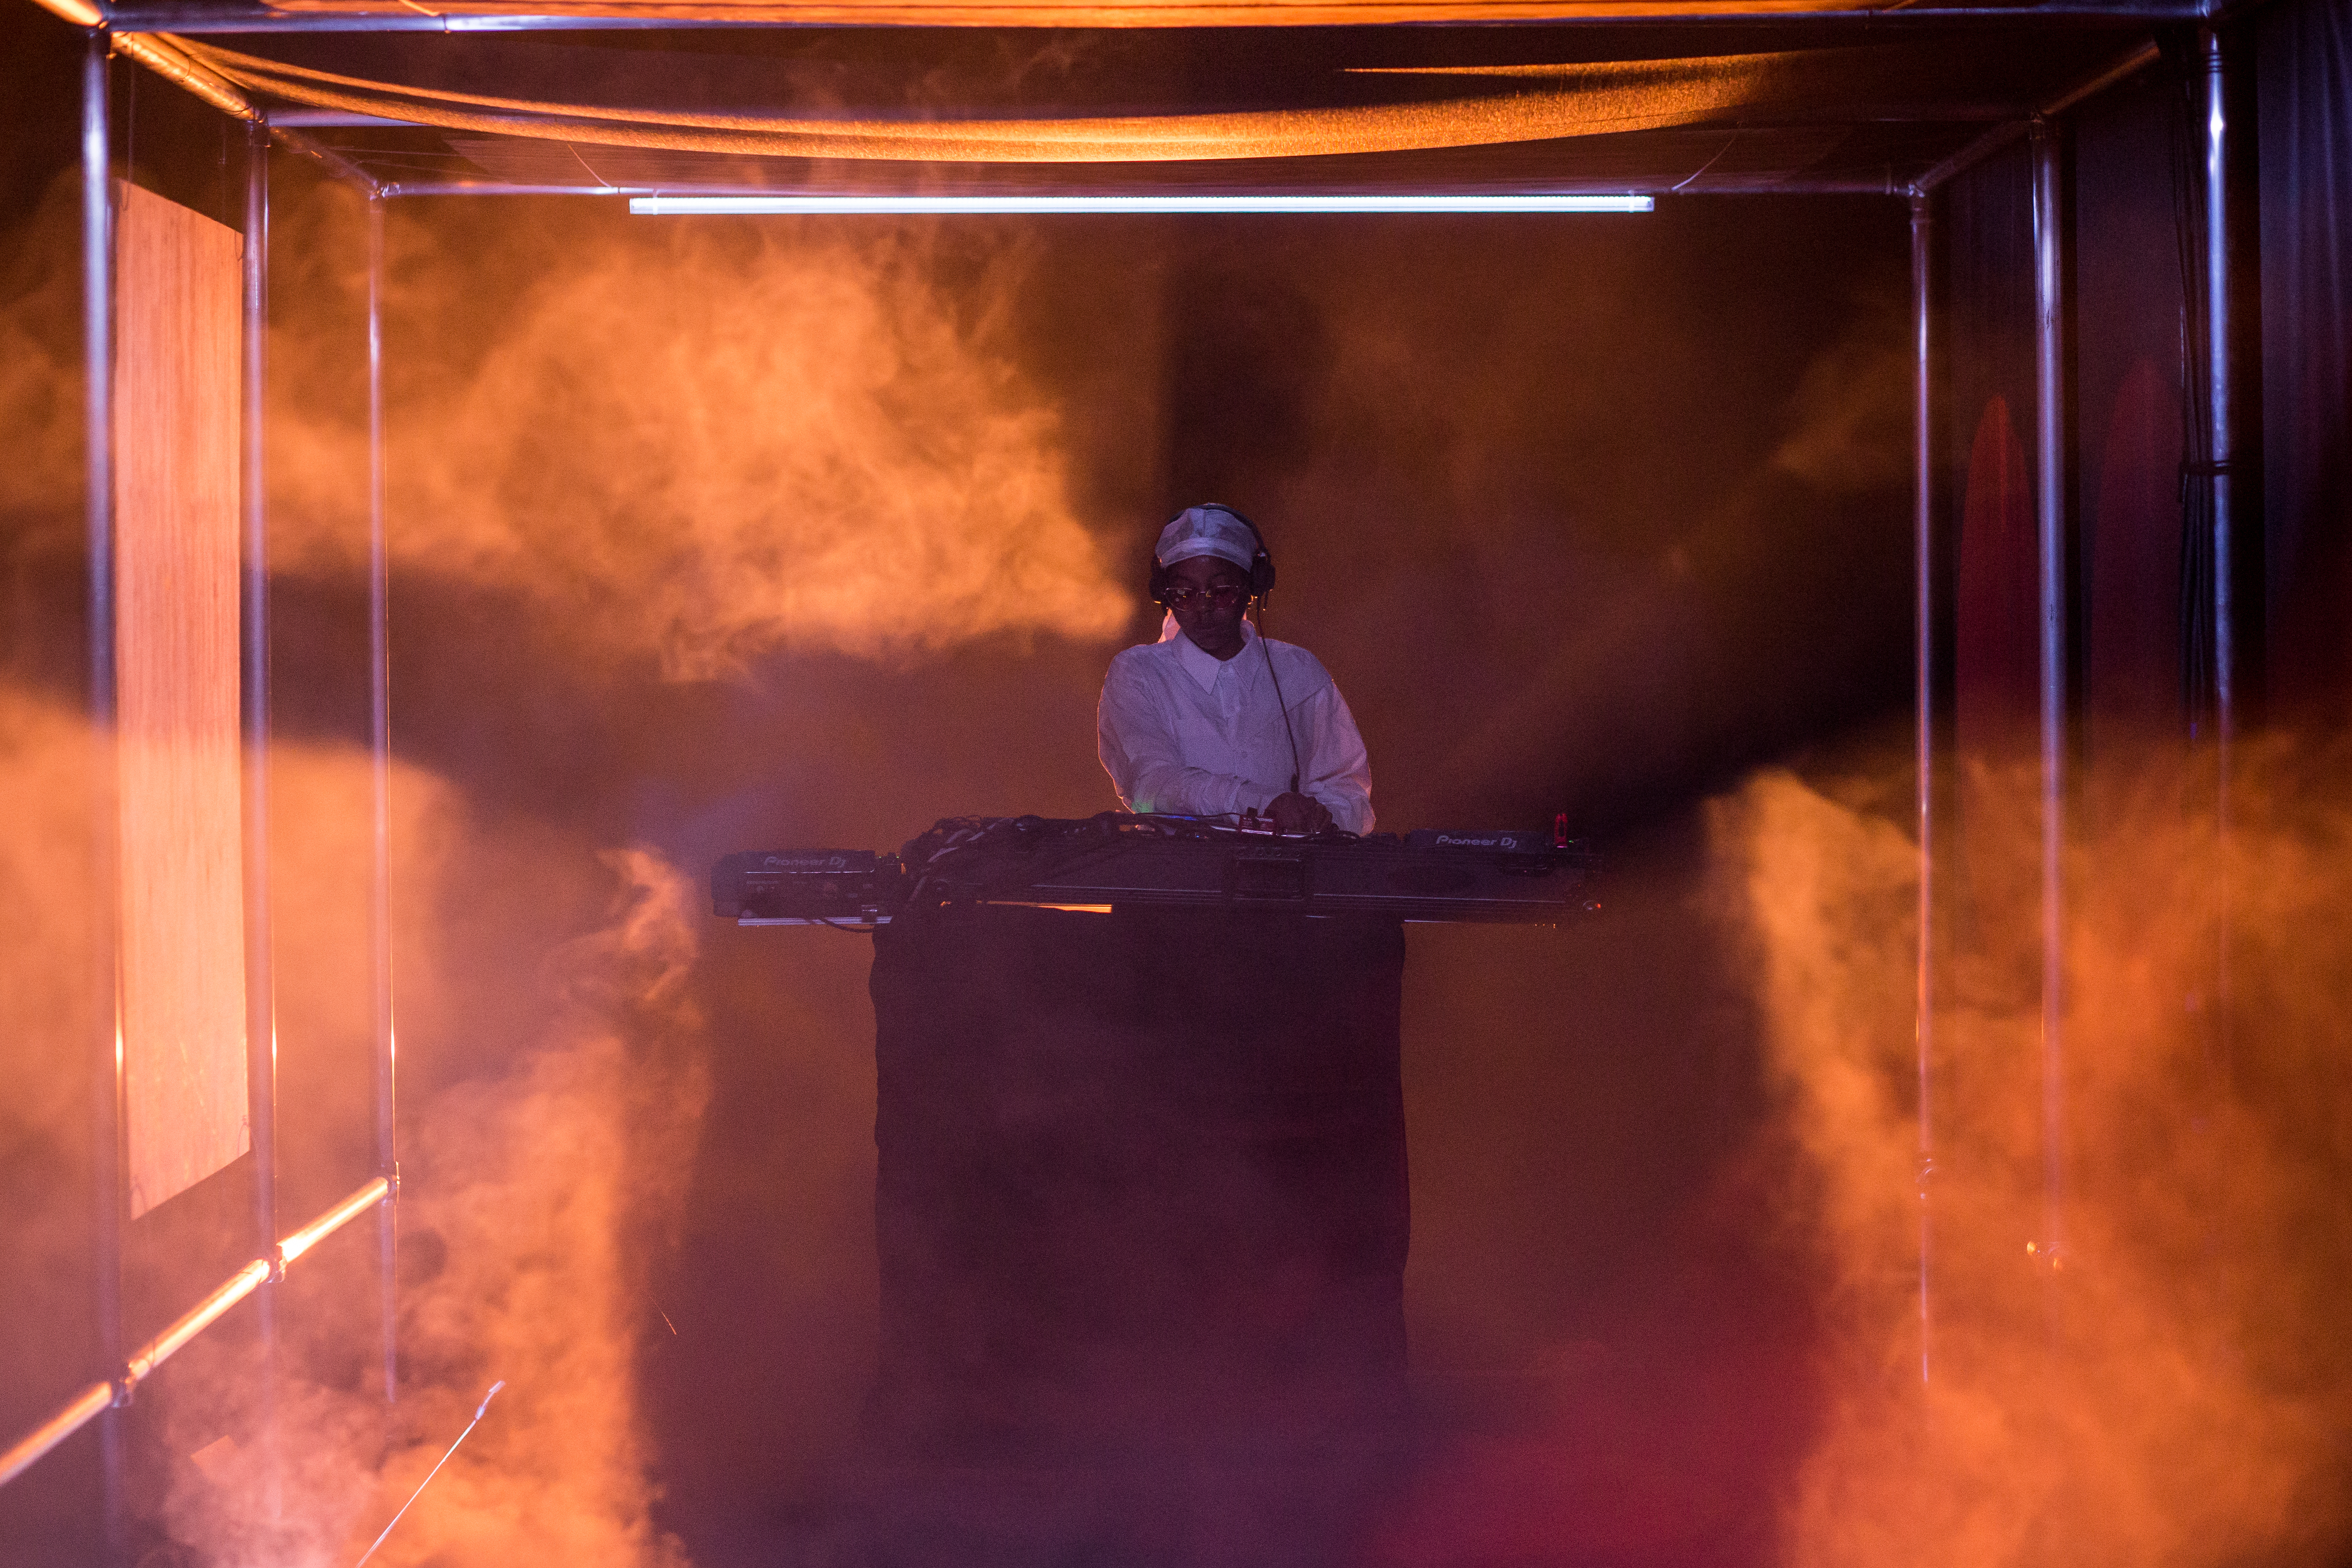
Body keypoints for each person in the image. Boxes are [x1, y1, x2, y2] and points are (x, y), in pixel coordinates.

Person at [1096, 505, 1374, 836]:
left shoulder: (1300, 674)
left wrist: (1325, 820)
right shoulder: (1138, 673)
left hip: (1286, 881)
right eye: (1184, 594)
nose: (1203, 607)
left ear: (1252, 590)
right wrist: (1261, 803)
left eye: (1223, 592)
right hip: (1175, 879)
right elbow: (1152, 784)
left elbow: (1349, 793)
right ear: (1165, 597)